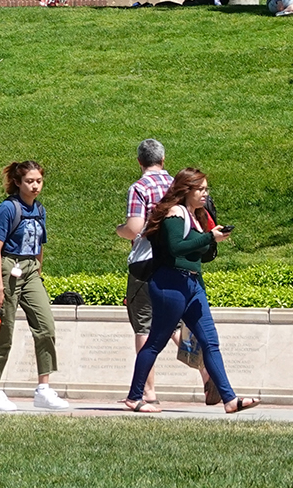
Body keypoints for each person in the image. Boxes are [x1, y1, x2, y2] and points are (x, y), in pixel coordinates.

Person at [126, 168, 258, 413]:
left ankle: (230, 400)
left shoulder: (196, 215)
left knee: (210, 341)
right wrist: (208, 237)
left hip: (194, 285)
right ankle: (135, 397)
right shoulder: (174, 213)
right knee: (156, 342)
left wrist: (213, 240)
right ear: (186, 190)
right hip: (170, 284)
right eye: (200, 189)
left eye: (206, 189)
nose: (205, 194)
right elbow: (176, 248)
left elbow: (199, 256)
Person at [0, 159, 69, 410]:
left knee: (46, 327)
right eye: (29, 181)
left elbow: (40, 245)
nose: (35, 186)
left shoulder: (40, 210)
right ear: (17, 182)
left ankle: (44, 389)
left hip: (30, 271)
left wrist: (39, 271)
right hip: (7, 269)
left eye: (39, 181)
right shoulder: (8, 208)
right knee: (1, 331)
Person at [118, 137, 175, 405]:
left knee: (144, 326)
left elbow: (134, 227)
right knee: (177, 324)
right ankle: (206, 373)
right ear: (163, 160)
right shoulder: (178, 185)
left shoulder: (139, 187)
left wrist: (120, 230)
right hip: (175, 260)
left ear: (139, 162)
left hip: (145, 261)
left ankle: (148, 391)